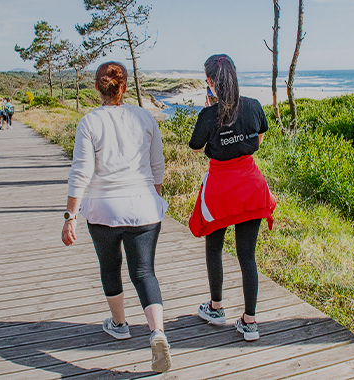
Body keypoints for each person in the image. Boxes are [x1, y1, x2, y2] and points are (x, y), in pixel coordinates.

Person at [61, 61, 172, 372]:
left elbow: (80, 173)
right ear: (124, 88)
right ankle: (157, 332)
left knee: (110, 266)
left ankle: (120, 324)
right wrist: (155, 196)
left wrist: (70, 215)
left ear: (97, 88)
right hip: (144, 206)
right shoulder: (145, 116)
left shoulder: (89, 122)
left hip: (103, 208)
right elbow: (157, 166)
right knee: (144, 272)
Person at [188, 54, 276, 341]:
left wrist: (210, 116)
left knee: (215, 248)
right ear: (235, 76)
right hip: (251, 187)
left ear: (212, 82)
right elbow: (259, 140)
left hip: (220, 191)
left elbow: (197, 148)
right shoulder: (253, 106)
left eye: (207, 80)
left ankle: (216, 308)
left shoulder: (208, 115)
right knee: (247, 255)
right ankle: (250, 322)